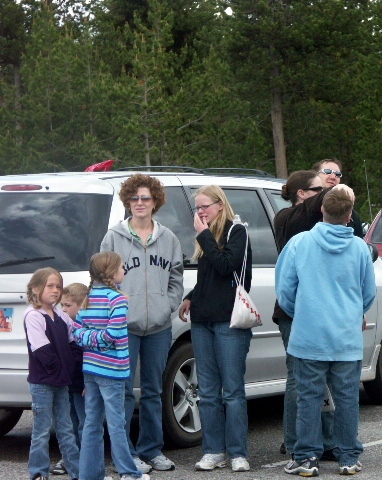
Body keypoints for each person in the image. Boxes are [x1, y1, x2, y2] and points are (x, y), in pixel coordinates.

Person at [276, 188, 376, 476]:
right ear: (349, 215)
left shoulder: (299, 243)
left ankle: (306, 457)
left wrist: (302, 312)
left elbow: (284, 291)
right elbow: (368, 293)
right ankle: (348, 457)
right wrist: (352, 313)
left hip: (309, 335)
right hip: (346, 337)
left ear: (322, 209)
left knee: (308, 397)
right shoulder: (359, 248)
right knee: (347, 398)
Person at [100, 174, 184, 473]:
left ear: (155, 202)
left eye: (145, 198)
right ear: (127, 201)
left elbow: (176, 277)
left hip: (159, 326)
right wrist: (116, 311)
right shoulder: (113, 237)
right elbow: (102, 278)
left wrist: (167, 306)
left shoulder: (168, 238)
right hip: (123, 327)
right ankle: (126, 454)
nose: (139, 203)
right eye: (134, 198)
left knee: (153, 390)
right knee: (122, 391)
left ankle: (152, 449)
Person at [272, 170, 355, 462]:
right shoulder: (287, 218)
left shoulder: (321, 223)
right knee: (299, 378)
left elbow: (343, 221)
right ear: (302, 194)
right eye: (318, 190)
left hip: (322, 311)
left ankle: (327, 441)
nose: (324, 195)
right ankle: (295, 442)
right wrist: (336, 190)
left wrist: (339, 200)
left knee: (326, 380)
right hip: (294, 312)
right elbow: (285, 287)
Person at [178, 185, 252, 473]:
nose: (200, 212)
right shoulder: (205, 237)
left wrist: (204, 235)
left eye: (205, 206)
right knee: (207, 391)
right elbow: (208, 277)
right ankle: (212, 450)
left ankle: (238, 452)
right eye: (197, 208)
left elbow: (225, 266)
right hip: (203, 320)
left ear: (220, 205)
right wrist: (191, 296)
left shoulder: (237, 231)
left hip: (228, 320)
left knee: (232, 391)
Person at [74, 252, 150, 480]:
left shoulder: (87, 298)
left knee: (92, 423)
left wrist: (90, 339)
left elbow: (77, 332)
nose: (124, 271)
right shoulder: (117, 299)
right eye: (122, 267)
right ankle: (128, 472)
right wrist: (100, 339)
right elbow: (113, 335)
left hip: (91, 368)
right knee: (117, 422)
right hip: (112, 370)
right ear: (111, 272)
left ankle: (89, 475)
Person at [24, 267, 81, 480]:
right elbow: (42, 351)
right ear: (35, 288)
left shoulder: (61, 315)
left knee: (66, 429)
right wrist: (60, 370)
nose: (55, 290)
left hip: (61, 382)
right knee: (41, 430)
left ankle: (77, 472)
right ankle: (39, 472)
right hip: (43, 383)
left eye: (58, 286)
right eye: (50, 286)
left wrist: (71, 367)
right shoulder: (33, 315)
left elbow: (74, 340)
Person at [51, 283, 89, 476]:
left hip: (83, 384)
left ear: (82, 306)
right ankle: (70, 458)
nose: (64, 309)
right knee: (69, 423)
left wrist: (88, 382)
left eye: (68, 305)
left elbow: (89, 357)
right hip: (68, 383)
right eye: (62, 305)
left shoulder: (85, 328)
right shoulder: (63, 326)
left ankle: (85, 459)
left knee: (84, 423)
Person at [312, 158, 364, 238]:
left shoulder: (351, 214)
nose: (333, 177)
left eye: (338, 174)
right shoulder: (304, 210)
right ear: (315, 175)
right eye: (327, 172)